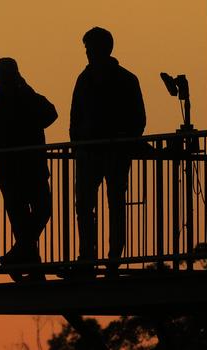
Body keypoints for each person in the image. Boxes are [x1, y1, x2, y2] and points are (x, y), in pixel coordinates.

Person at [70, 27, 146, 277]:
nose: (88, 53)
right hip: (89, 154)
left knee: (115, 203)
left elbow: (138, 119)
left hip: (115, 154)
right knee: (84, 205)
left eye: (90, 48)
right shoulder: (84, 80)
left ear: (104, 49)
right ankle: (87, 255)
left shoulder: (125, 79)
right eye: (87, 49)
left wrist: (123, 139)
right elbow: (75, 118)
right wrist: (79, 144)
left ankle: (114, 255)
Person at [0, 57, 57, 281]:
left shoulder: (27, 100)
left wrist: (27, 91)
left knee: (40, 212)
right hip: (13, 173)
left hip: (31, 170)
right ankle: (31, 266)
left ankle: (18, 256)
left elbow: (50, 114)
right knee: (23, 220)